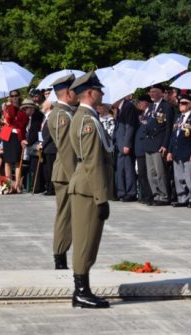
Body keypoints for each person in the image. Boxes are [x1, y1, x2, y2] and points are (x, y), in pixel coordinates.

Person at [68, 71, 114, 308]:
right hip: (87, 189)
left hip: (86, 188)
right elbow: (92, 161)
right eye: (99, 90)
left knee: (89, 241)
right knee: (85, 241)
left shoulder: (89, 117)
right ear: (89, 93)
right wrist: (101, 197)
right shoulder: (87, 120)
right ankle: (81, 291)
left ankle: (83, 289)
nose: (102, 93)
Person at [47, 73, 78, 269]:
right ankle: (60, 257)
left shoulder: (66, 113)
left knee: (68, 215)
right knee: (65, 215)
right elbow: (67, 149)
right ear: (67, 93)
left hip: (66, 172)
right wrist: (75, 176)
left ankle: (61, 255)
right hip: (67, 173)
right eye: (75, 90)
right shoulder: (62, 115)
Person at [167, 94, 191, 207]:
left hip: (188, 152)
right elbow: (173, 136)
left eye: (184, 103)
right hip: (177, 151)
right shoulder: (178, 117)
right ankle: (182, 198)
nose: (181, 105)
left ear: (190, 105)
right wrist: (170, 151)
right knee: (178, 177)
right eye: (180, 103)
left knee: (190, 177)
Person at [143, 83, 174, 206]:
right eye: (150, 92)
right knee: (151, 172)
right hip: (149, 142)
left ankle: (164, 196)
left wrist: (165, 144)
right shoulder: (150, 107)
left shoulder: (167, 107)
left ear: (161, 93)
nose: (152, 94)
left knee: (160, 171)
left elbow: (168, 128)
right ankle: (156, 195)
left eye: (155, 91)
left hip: (159, 143)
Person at [0, 90, 28, 191]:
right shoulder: (7, 108)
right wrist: (6, 113)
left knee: (17, 161)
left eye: (16, 95)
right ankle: (8, 185)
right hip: (7, 136)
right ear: (10, 97)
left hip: (17, 136)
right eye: (12, 96)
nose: (14, 97)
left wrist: (23, 139)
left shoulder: (23, 110)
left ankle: (17, 185)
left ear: (19, 96)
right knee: (7, 161)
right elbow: (6, 120)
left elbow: (23, 125)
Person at [112, 97, 139, 202]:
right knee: (121, 169)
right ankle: (122, 192)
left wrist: (127, 144)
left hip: (124, 144)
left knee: (128, 169)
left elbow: (130, 126)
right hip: (119, 143)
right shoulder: (121, 108)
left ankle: (130, 192)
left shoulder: (128, 106)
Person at [21, 99, 44, 193]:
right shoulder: (31, 117)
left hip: (36, 143)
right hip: (32, 143)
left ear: (31, 108)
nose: (25, 111)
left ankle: (37, 187)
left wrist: (28, 141)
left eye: (26, 108)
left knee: (36, 165)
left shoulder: (37, 116)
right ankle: (36, 186)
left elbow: (34, 132)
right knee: (33, 165)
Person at [134, 94, 153, 204]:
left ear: (147, 102)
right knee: (141, 173)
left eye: (141, 101)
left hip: (146, 147)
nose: (139, 104)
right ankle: (146, 194)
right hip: (140, 147)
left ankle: (150, 195)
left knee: (147, 173)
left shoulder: (150, 113)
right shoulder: (140, 114)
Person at [38, 100, 57, 195]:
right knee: (46, 169)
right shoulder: (45, 117)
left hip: (51, 147)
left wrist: (42, 144)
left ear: (49, 105)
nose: (42, 104)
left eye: (44, 103)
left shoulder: (51, 116)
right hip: (45, 147)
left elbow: (49, 133)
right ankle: (48, 187)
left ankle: (52, 189)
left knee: (50, 169)